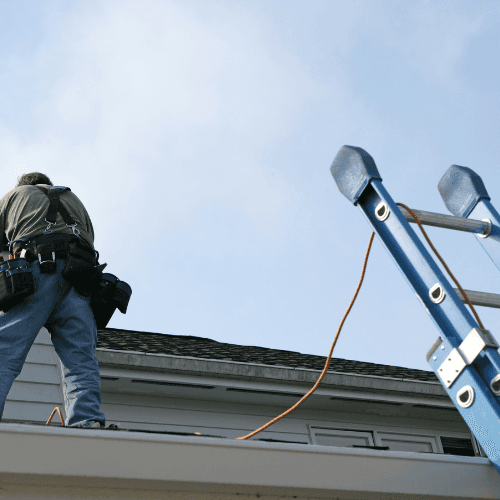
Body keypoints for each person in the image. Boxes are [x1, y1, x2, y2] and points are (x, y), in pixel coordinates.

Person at [0, 172, 106, 428]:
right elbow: (89, 238)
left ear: (23, 185)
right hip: (79, 278)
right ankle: (87, 419)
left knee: (5, 351)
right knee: (80, 359)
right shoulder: (74, 199)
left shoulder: (15, 196)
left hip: (36, 273)